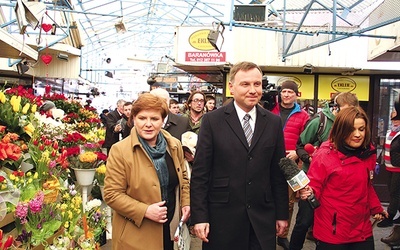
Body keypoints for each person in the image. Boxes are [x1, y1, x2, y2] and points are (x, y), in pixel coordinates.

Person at [190, 61, 289, 249]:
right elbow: (200, 173)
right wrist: (200, 216)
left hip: (262, 219)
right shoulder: (212, 121)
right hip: (222, 219)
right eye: (245, 84)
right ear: (231, 87)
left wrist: (282, 214)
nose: (253, 90)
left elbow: (278, 173)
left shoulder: (273, 123)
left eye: (257, 84)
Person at [103, 93, 190, 250]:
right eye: (142, 118)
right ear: (133, 119)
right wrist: (145, 211)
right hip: (136, 233)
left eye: (155, 119)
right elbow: (112, 194)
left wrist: (185, 203)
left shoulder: (174, 145)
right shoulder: (120, 151)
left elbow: (183, 177)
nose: (148, 124)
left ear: (163, 120)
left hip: (170, 230)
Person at [299, 106, 387, 250]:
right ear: (341, 130)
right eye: (352, 129)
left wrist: (376, 208)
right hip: (332, 232)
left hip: (362, 230)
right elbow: (314, 186)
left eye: (361, 129)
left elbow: (366, 186)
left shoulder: (368, 153)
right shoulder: (324, 155)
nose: (357, 134)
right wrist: (308, 192)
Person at [290, 92, 359, 250]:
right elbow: (300, 146)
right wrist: (310, 159)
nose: (349, 115)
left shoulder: (354, 125)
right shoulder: (319, 122)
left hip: (336, 186)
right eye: (345, 111)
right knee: (304, 221)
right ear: (335, 108)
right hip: (313, 182)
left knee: (329, 225)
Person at [271, 80, 310, 249]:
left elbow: (306, 141)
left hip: (292, 164)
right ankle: (266, 232)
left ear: (296, 94)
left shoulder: (304, 116)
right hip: (269, 160)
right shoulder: (269, 110)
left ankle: (282, 235)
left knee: (287, 201)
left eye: (290, 92)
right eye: (284, 91)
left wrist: (297, 152)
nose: (286, 94)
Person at [378, 95, 400, 229]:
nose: (395, 121)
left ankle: (390, 217)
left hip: (398, 168)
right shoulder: (390, 131)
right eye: (394, 119)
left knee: (394, 193)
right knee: (394, 191)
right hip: (389, 167)